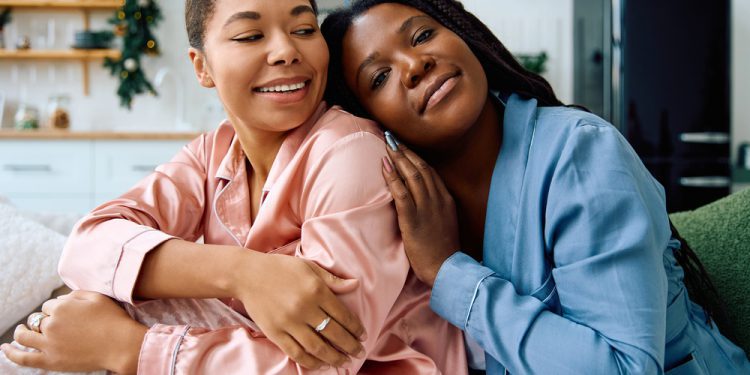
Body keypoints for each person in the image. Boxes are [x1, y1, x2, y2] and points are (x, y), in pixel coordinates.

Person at [0, 0, 468, 373]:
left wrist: (128, 348)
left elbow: (327, 363)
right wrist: (243, 272)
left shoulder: (350, 152)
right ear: (201, 67)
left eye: (304, 29)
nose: (286, 50)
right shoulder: (212, 152)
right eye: (250, 35)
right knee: (94, 301)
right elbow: (87, 244)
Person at [320, 0, 750, 373]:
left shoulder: (579, 152)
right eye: (379, 77)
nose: (415, 65)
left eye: (423, 35)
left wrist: (448, 272)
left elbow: (625, 367)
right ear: (370, 122)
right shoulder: (396, 212)